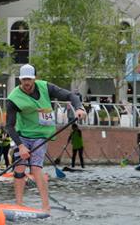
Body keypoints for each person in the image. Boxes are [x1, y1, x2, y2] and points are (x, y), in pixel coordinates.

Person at [6, 64, 86, 213]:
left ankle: (45, 207)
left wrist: (79, 108)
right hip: (22, 135)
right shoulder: (13, 98)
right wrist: (21, 146)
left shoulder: (46, 87)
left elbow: (71, 96)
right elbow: (9, 126)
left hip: (42, 135)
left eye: (29, 79)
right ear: (20, 80)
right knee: (19, 167)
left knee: (36, 168)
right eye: (24, 80)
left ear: (34, 78)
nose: (27, 83)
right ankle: (19, 204)